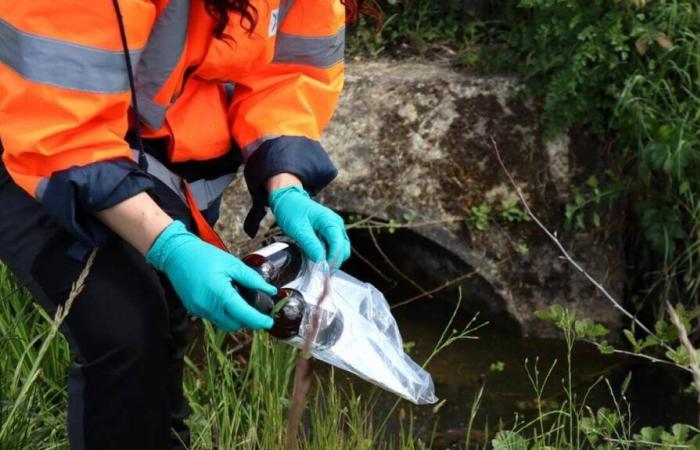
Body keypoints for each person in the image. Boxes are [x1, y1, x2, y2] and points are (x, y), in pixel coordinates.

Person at [0, 1, 376, 448]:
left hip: (150, 152)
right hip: (29, 135)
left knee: (166, 328)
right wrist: (170, 245)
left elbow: (286, 74)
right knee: (125, 332)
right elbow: (60, 133)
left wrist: (286, 182)